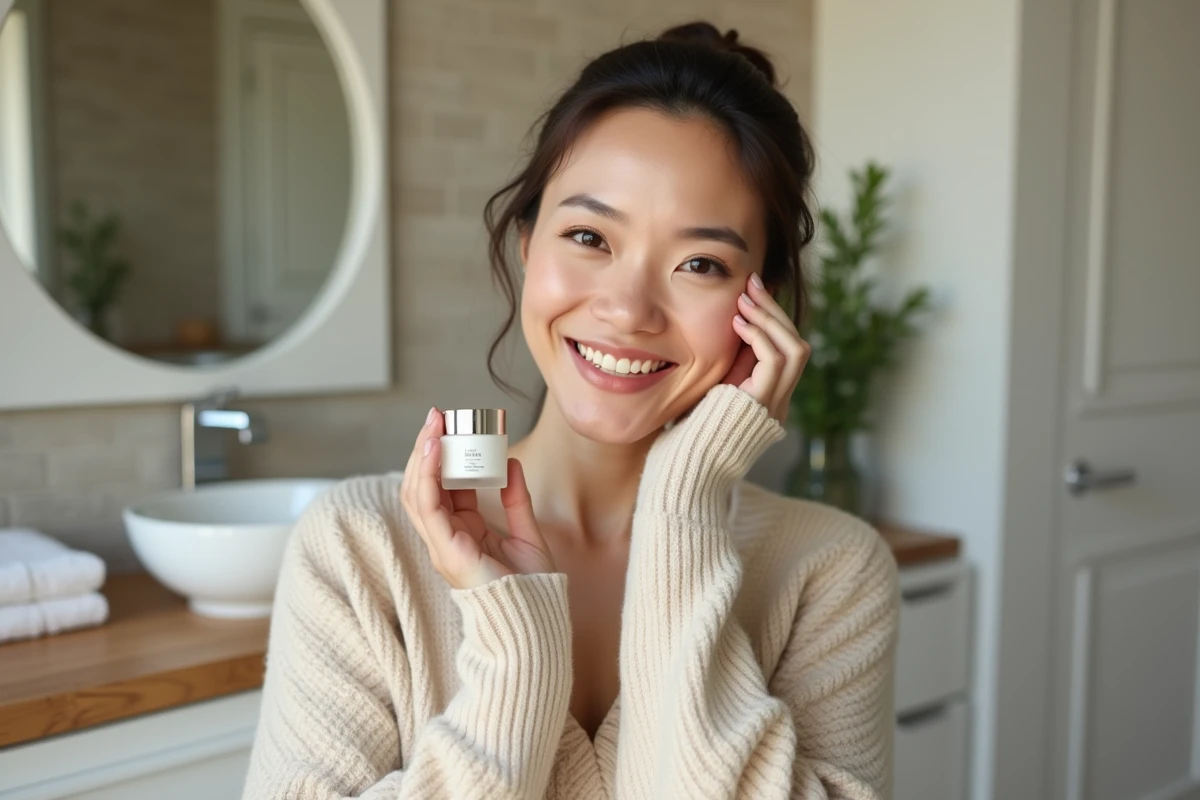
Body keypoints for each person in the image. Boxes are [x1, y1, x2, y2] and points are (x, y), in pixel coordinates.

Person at [242, 20, 899, 800]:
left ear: (763, 302)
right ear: (527, 243)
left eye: (701, 263)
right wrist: (517, 655)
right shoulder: (359, 549)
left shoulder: (829, 569)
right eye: (589, 236)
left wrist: (683, 509)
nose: (628, 309)